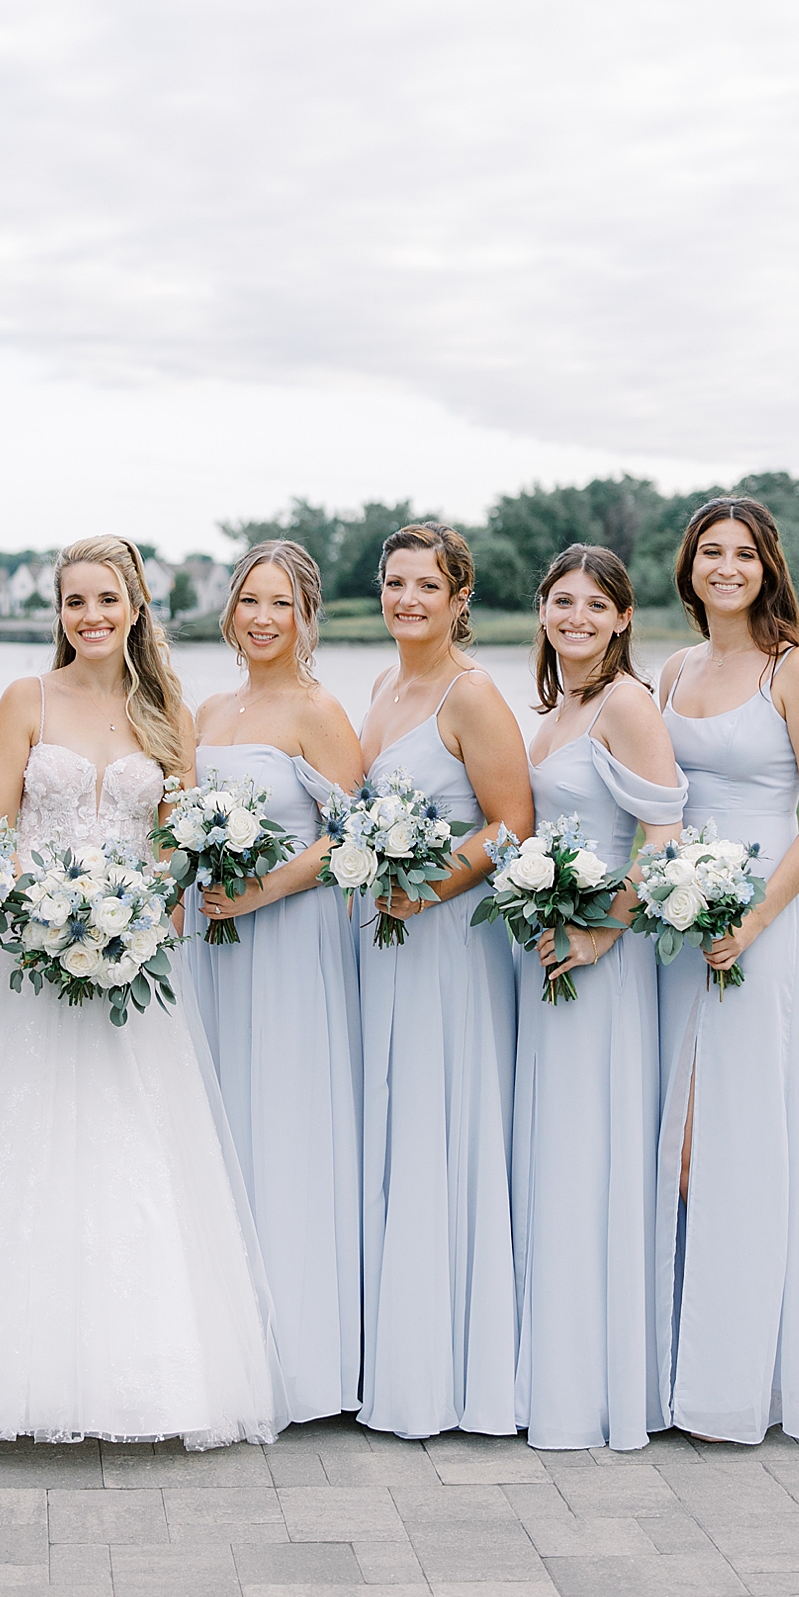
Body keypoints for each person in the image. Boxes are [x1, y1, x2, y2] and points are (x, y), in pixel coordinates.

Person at [0, 535, 285, 1448]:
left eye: (107, 601)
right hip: (31, 967)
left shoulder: (165, 708)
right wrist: (33, 918)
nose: (91, 617)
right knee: (26, 1140)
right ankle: (7, 1379)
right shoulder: (23, 699)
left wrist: (134, 913)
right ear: (59, 612)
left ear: (135, 609)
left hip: (136, 963)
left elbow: (178, 838)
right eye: (74, 602)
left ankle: (144, 1379)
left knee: (135, 1146)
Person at [655, 496, 799, 1444]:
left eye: (742, 553)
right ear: (689, 567)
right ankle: (681, 1353)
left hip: (757, 927)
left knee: (741, 1129)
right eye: (709, 551)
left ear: (767, 566)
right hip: (676, 924)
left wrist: (758, 917)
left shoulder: (796, 669)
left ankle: (747, 1372)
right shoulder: (673, 668)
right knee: (679, 1136)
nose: (725, 566)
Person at [356, 523, 532, 1441]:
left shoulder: (473, 695)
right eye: (394, 583)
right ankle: (392, 1348)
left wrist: (425, 888)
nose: (407, 599)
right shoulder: (384, 686)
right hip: (385, 941)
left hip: (447, 945)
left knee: (440, 1127)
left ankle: (449, 1368)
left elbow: (510, 825)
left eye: (427, 585)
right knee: (392, 1126)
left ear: (460, 597)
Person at [186, 540, 366, 1423]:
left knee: (285, 1126)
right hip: (208, 943)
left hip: (289, 943)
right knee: (217, 1128)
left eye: (281, 604)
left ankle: (303, 1360)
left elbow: (356, 838)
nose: (262, 617)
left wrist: (259, 889)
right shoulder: (208, 709)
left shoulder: (318, 710)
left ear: (306, 617)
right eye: (250, 600)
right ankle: (227, 1351)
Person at [512, 545, 686, 1452]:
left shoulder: (626, 702)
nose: (575, 616)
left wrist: (598, 932)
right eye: (561, 601)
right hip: (548, 959)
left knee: (591, 1154)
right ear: (542, 611)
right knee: (552, 1155)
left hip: (600, 966)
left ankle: (597, 1384)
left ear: (622, 619)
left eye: (594, 604)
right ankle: (551, 1370)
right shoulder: (558, 709)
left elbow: (663, 829)